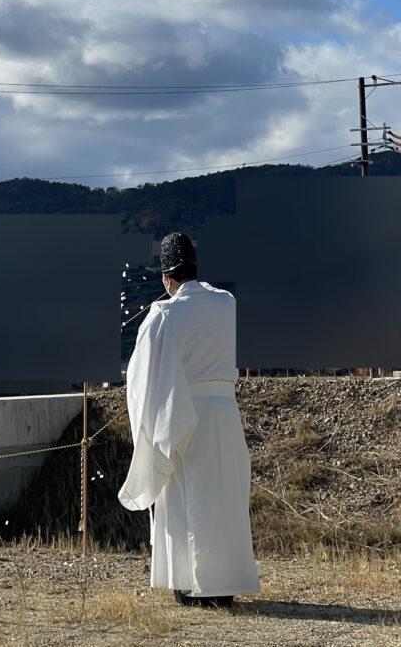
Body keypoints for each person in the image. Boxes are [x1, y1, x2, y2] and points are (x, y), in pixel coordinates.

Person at [118, 232, 259, 608]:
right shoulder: (226, 303)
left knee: (186, 498)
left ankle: (190, 584)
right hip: (225, 414)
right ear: (195, 269)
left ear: (167, 279)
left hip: (183, 411)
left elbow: (140, 375)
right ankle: (224, 583)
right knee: (223, 497)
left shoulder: (163, 314)